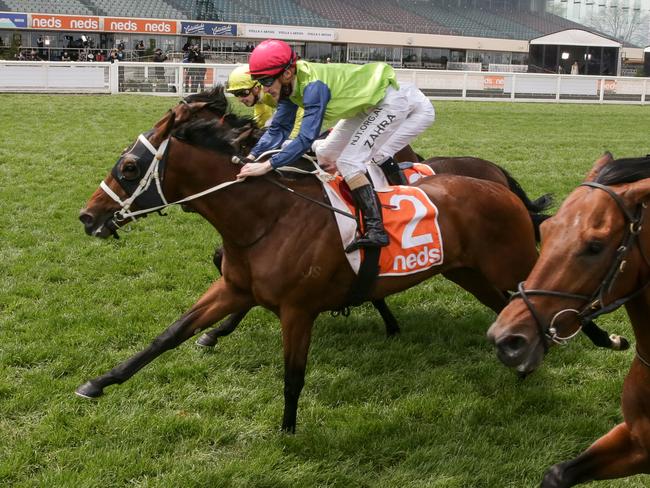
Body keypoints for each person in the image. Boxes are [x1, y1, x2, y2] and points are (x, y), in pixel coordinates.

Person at [238, 39, 435, 252]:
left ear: (286, 74)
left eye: (266, 80)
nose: (265, 89)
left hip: (391, 101)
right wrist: (252, 157)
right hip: (367, 105)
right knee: (326, 152)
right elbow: (278, 130)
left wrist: (268, 166)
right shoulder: (287, 88)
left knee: (349, 161)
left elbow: (305, 138)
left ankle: (377, 229)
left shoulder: (313, 87)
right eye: (260, 82)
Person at [226, 64, 303, 138]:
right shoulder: (258, 96)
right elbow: (262, 118)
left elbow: (299, 108)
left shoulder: (272, 91)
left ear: (256, 88)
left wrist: (293, 137)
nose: (240, 99)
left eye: (242, 93)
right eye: (236, 94)